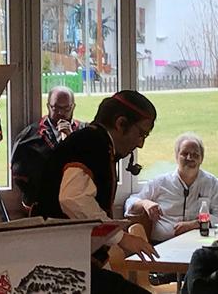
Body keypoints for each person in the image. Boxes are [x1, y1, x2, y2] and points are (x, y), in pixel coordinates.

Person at [38, 90, 159, 294]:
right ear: (121, 123)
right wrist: (121, 237)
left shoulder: (95, 142)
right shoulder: (91, 144)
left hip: (70, 261)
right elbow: (73, 199)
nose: (140, 143)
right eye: (141, 134)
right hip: (60, 264)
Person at [124, 132, 218, 243]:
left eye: (195, 155)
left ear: (201, 159)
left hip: (199, 243)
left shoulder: (210, 182)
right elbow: (130, 202)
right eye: (185, 154)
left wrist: (195, 224)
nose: (190, 158)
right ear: (176, 157)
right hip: (162, 244)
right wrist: (145, 203)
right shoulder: (161, 182)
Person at [11, 86, 86, 215]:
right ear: (48, 106)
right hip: (40, 206)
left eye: (66, 108)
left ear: (73, 107)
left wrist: (70, 139)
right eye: (56, 108)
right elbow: (18, 172)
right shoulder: (30, 136)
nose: (61, 113)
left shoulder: (85, 133)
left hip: (77, 206)